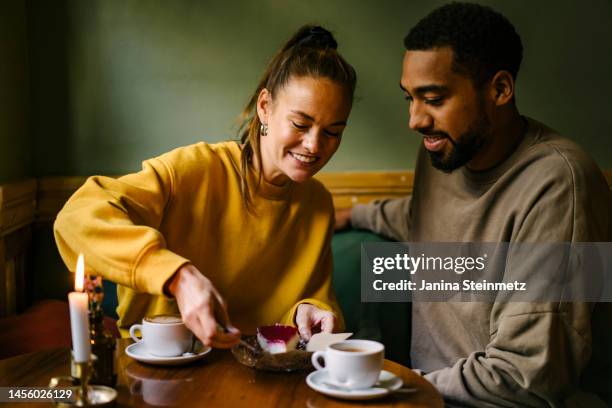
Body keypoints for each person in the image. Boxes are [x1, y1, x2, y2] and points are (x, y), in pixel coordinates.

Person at [336, 3, 611, 407]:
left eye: (433, 98)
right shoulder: (445, 151)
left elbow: (528, 377)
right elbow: (422, 217)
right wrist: (340, 215)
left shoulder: (560, 185)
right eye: (409, 98)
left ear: (500, 89)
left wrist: (396, 386)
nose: (415, 119)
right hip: (428, 395)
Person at [54, 25, 357, 349]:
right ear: (265, 106)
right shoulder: (194, 170)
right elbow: (74, 219)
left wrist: (312, 311)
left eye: (332, 132)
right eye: (300, 124)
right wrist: (177, 277)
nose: (314, 145)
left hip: (262, 375)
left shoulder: (318, 204)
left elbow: (314, 297)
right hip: (158, 370)